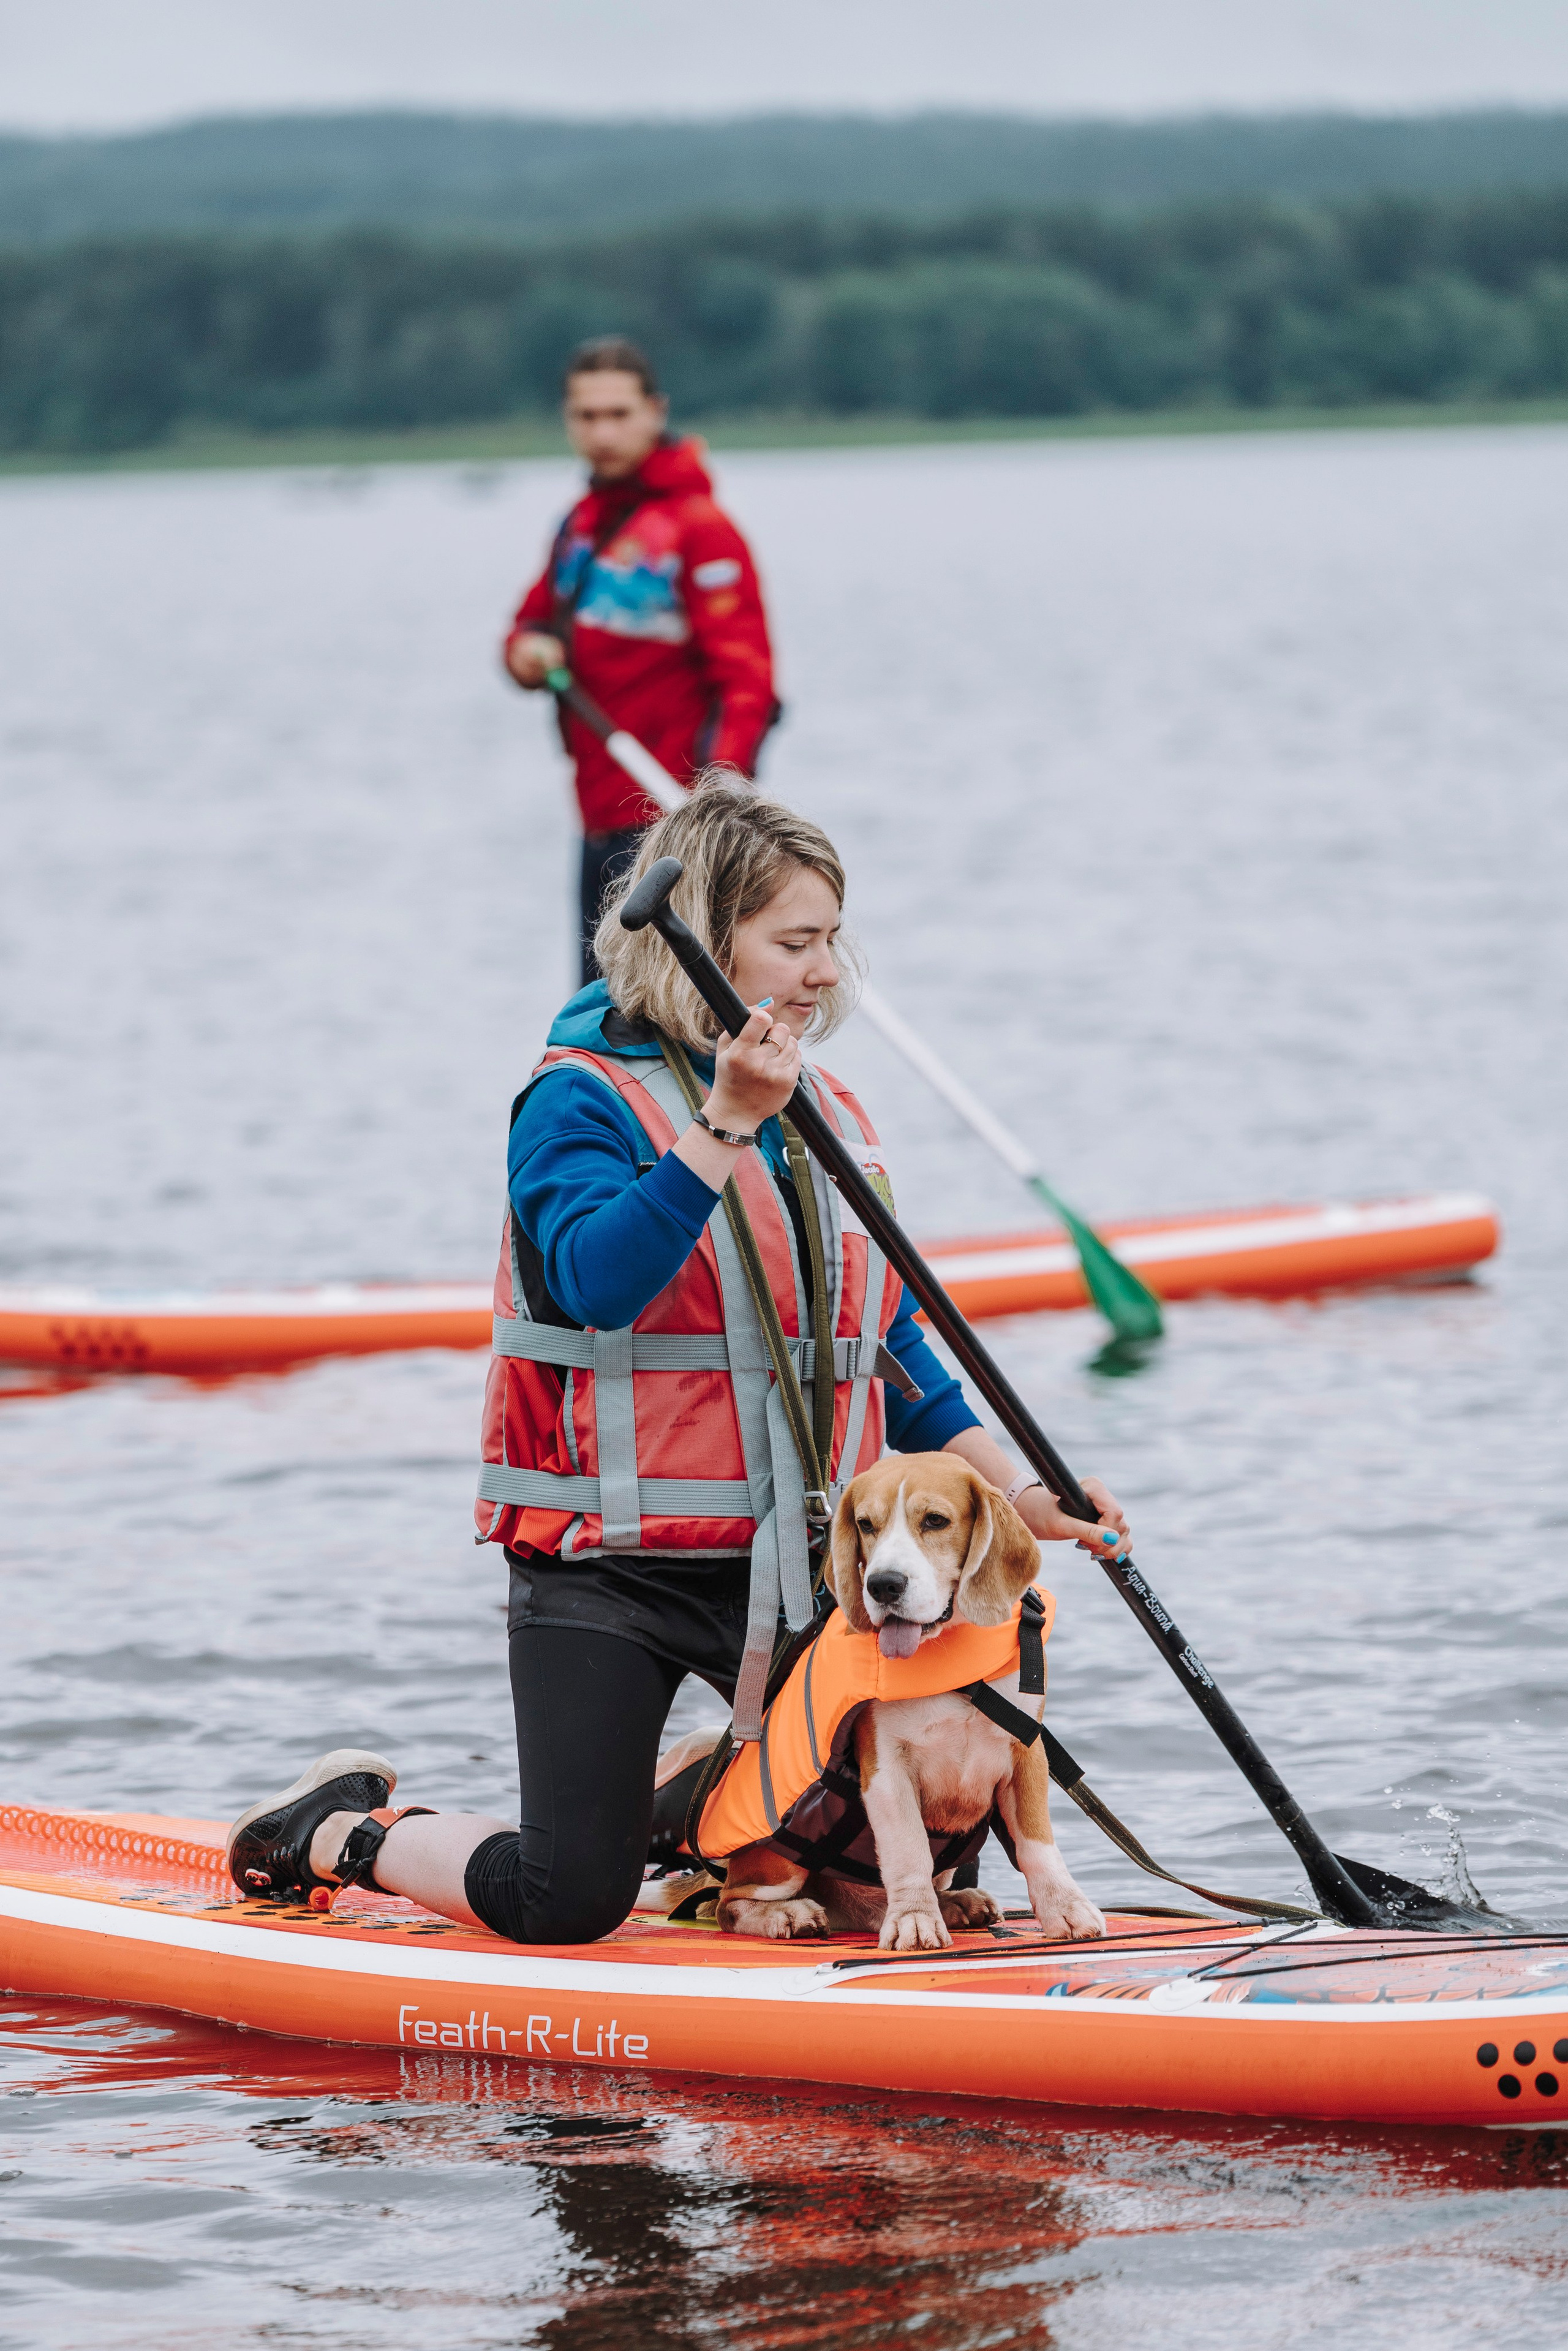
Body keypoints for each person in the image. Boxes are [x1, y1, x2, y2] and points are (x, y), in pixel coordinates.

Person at [227, 776, 1131, 1943]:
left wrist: (1020, 1491)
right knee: (569, 1898)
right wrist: (725, 1123)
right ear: (702, 940)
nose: (825, 972)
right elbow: (595, 1281)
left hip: (798, 1569)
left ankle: (706, 1789)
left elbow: (887, 1347)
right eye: (794, 943)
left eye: (832, 941)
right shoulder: (577, 1101)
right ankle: (341, 1831)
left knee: (891, 1839)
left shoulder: (829, 1110)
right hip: (614, 1574)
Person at [503, 336, 778, 986]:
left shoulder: (700, 528)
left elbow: (747, 684)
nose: (602, 433)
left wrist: (717, 807)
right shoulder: (579, 526)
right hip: (598, 813)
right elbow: (526, 627)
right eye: (586, 416)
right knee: (599, 1012)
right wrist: (527, 653)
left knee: (673, 1015)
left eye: (619, 414)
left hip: (674, 826)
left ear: (656, 412)